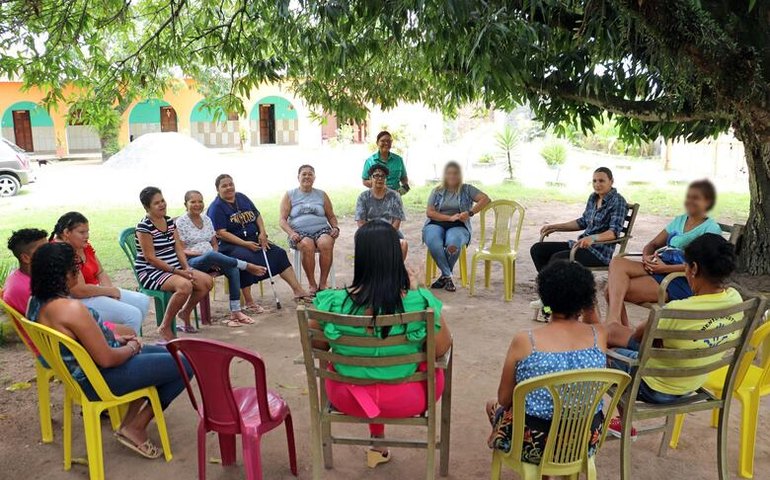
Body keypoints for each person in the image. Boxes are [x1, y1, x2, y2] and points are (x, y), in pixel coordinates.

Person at [28, 242, 192, 459]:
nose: (78, 273)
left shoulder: (36, 302)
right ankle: (136, 427)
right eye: (75, 268)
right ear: (63, 274)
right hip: (100, 379)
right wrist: (132, 346)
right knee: (185, 364)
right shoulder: (71, 309)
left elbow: (79, 340)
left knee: (169, 354)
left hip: (81, 374)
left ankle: (129, 423)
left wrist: (115, 338)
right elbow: (107, 359)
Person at [311, 221, 452, 468]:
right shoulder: (419, 302)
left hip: (348, 397)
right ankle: (381, 443)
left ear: (361, 258)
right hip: (410, 397)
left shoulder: (331, 303)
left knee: (356, 367)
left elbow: (318, 347)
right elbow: (441, 349)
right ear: (395, 258)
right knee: (426, 364)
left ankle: (377, 441)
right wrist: (422, 291)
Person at [604, 233, 742, 438]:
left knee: (605, 349)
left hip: (655, 388)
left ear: (694, 268)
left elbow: (640, 337)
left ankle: (622, 423)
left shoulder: (677, 310)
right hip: (693, 382)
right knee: (616, 334)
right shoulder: (736, 299)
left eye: (686, 266)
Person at [486, 260, 607, 466]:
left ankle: (501, 439)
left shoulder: (526, 341)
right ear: (587, 300)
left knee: (493, 405)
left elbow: (505, 398)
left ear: (544, 296)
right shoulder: (599, 336)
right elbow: (594, 319)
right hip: (584, 441)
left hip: (534, 443)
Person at [605, 180, 722, 325]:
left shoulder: (711, 228)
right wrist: (647, 256)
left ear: (708, 202)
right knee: (617, 262)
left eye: (696, 198)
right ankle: (615, 323)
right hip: (660, 264)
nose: (690, 201)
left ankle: (616, 327)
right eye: (689, 197)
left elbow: (704, 265)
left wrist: (665, 268)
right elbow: (653, 244)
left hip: (680, 278)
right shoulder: (680, 220)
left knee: (610, 291)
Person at [207, 174, 310, 305]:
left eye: (230, 184)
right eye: (224, 186)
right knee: (246, 259)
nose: (229, 188)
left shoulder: (241, 198)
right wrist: (245, 244)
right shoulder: (216, 207)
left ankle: (298, 290)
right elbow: (221, 233)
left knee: (278, 253)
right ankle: (249, 301)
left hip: (253, 239)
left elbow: (257, 215)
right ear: (218, 189)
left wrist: (262, 233)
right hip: (230, 245)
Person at [176, 190, 268, 326]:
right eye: (193, 202)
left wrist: (215, 257)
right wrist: (208, 256)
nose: (197, 204)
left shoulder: (206, 219)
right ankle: (246, 265)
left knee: (232, 269)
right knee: (213, 256)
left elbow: (214, 243)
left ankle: (235, 311)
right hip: (192, 261)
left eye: (200, 201)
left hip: (213, 258)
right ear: (186, 204)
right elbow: (182, 250)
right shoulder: (180, 222)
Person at [50, 212, 150, 335]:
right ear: (66, 233)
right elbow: (78, 290)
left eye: (87, 231)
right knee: (133, 315)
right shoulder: (62, 251)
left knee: (142, 300)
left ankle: (117, 335)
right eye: (82, 232)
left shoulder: (81, 245)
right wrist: (110, 291)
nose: (86, 236)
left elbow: (100, 272)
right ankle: (121, 345)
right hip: (76, 300)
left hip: (94, 291)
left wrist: (110, 291)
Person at [135, 187, 213, 340]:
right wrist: (178, 272)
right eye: (156, 203)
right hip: (151, 271)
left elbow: (178, 247)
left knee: (206, 282)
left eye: (162, 200)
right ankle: (164, 327)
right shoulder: (144, 227)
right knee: (185, 285)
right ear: (147, 207)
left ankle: (185, 312)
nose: (162, 205)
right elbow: (151, 258)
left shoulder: (169, 221)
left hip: (175, 268)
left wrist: (186, 267)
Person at [530, 167, 628, 272]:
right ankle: (548, 284)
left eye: (601, 181)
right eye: (594, 181)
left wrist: (592, 238)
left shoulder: (618, 202)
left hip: (598, 253)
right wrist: (555, 227)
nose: (597, 184)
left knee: (557, 259)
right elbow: (583, 222)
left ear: (611, 181)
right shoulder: (593, 197)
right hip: (580, 246)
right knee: (537, 249)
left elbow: (613, 233)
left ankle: (553, 286)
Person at [423, 161, 490, 291]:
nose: (452, 176)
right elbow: (430, 212)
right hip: (436, 223)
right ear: (444, 175)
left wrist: (470, 213)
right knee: (433, 241)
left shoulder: (467, 189)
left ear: (460, 175)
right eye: (449, 173)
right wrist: (449, 217)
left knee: (453, 244)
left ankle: (444, 276)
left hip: (459, 225)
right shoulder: (437, 191)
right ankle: (448, 276)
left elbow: (486, 199)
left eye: (455, 173)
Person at [279, 165, 340, 293]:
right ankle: (312, 284)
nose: (307, 177)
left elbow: (331, 216)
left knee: (326, 242)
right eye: (304, 174)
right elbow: (282, 220)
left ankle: (323, 284)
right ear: (298, 177)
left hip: (321, 229)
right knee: (307, 245)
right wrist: (291, 233)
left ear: (314, 177)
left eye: (310, 174)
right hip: (298, 232)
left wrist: (335, 227)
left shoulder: (321, 194)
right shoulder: (290, 195)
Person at [356, 164, 408, 259]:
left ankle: (395, 271)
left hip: (390, 231)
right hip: (369, 232)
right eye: (376, 175)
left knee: (403, 244)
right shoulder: (363, 197)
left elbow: (396, 221)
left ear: (385, 179)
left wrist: (385, 236)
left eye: (382, 176)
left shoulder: (395, 196)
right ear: (370, 179)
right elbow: (361, 223)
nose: (379, 178)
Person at [3, 228, 47, 314]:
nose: (51, 252)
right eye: (44, 250)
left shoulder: (18, 275)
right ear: (26, 258)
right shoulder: (31, 290)